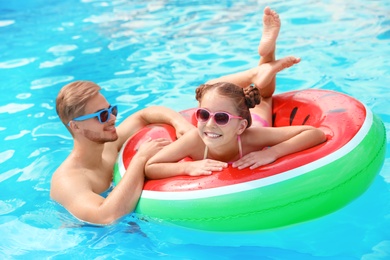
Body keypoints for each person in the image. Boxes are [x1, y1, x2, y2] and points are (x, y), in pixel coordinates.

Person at [145, 7, 326, 179]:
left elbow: (315, 134)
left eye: (221, 118)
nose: (210, 123)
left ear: (241, 127)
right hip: (235, 109)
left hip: (257, 121)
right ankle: (262, 70)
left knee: (264, 98)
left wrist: (273, 152)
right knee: (209, 88)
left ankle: (265, 59)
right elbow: (151, 166)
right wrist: (186, 167)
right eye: (203, 114)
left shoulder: (252, 137)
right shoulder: (195, 139)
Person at [50, 80, 194, 225]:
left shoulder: (109, 145)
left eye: (111, 110)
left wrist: (180, 123)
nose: (113, 119)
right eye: (102, 115)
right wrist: (140, 159)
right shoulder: (67, 180)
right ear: (76, 126)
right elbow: (105, 217)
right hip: (93, 237)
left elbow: (143, 115)